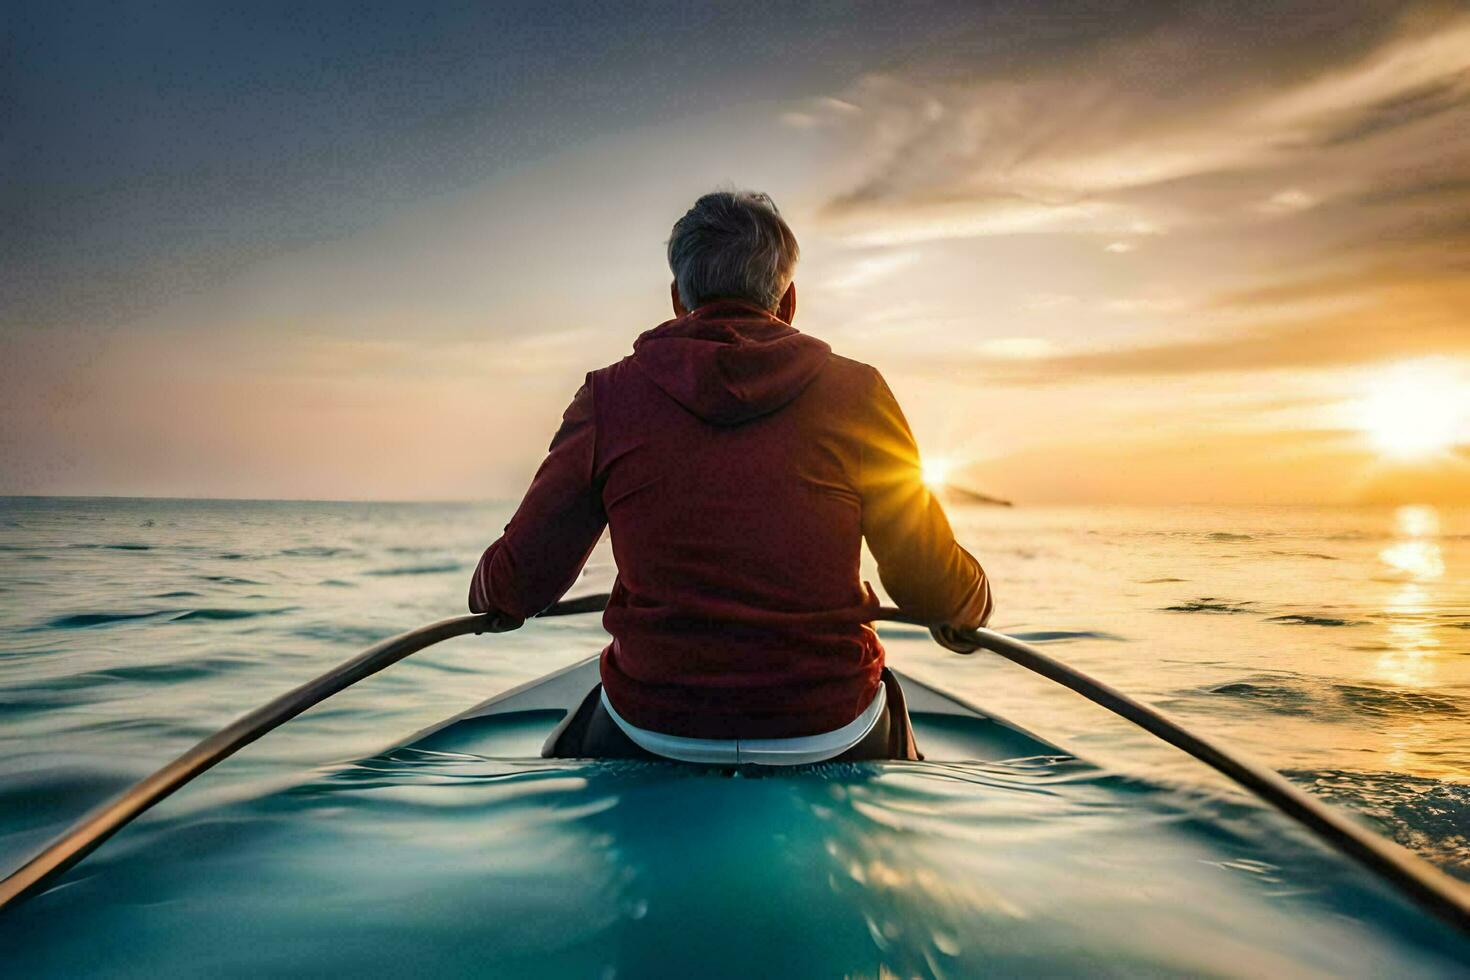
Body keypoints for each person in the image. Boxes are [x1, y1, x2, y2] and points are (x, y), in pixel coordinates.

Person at [469, 189, 992, 763]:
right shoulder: (860, 393)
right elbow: (930, 585)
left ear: (676, 299)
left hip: (655, 724)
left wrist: (488, 591)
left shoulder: (608, 397)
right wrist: (972, 602)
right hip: (828, 724)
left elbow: (521, 583)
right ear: (789, 301)